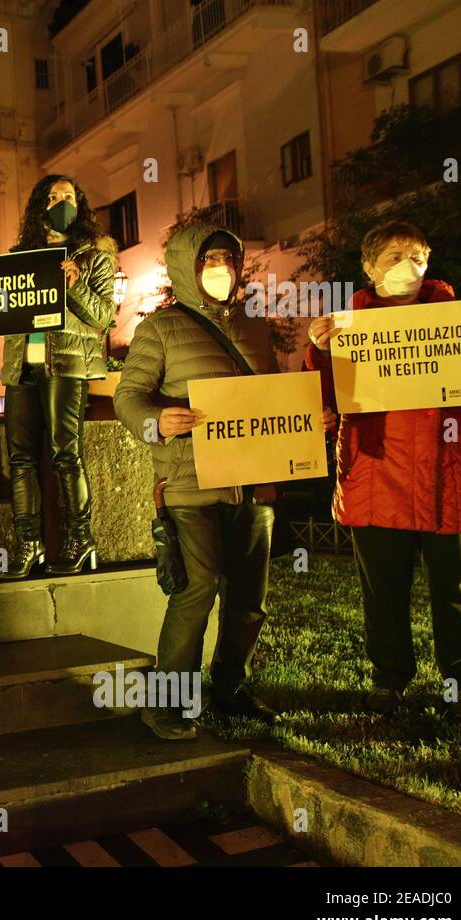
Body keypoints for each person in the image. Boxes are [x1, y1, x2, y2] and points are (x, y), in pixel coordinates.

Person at [305, 221, 461, 720]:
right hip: (376, 477)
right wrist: (319, 351)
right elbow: (320, 400)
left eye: (415, 255)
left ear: (428, 262)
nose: (405, 266)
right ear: (369, 268)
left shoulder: (460, 318)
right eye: (392, 257)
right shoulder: (346, 327)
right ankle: (389, 680)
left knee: (457, 589)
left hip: (448, 475)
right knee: (383, 592)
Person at [115, 223, 283, 740]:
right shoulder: (159, 329)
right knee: (198, 588)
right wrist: (157, 422)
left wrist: (307, 418)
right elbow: (129, 396)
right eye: (209, 261)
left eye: (229, 261)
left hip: (253, 483)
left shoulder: (255, 327)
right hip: (189, 485)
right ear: (189, 266)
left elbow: (277, 396)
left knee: (250, 598)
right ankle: (168, 703)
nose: (221, 271)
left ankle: (231, 687)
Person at [0, 175, 118, 579]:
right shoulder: (21, 255)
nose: (59, 202)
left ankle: (81, 540)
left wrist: (75, 284)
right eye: (52, 197)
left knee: (66, 454)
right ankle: (29, 543)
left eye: (67, 196)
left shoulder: (94, 255)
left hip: (67, 364)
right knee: (20, 458)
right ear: (39, 206)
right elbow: (1, 308)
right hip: (21, 365)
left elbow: (102, 317)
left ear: (79, 204)